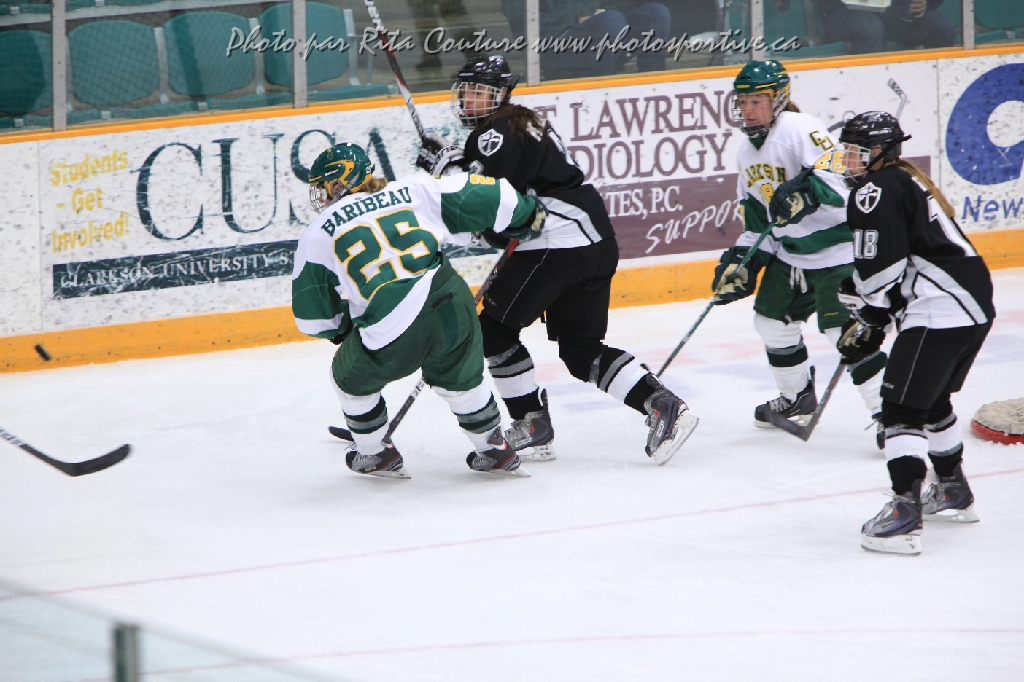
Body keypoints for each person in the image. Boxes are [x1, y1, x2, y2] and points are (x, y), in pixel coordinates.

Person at [426, 55, 698, 465]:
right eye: (465, 91)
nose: (468, 99)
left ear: (500, 94)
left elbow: (492, 202)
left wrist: (451, 174)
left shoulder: (492, 132)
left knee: (494, 332)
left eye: (479, 91)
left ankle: (532, 424)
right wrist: (458, 171)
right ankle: (662, 404)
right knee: (581, 350)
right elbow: (503, 206)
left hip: (556, 243)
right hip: (593, 239)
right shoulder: (522, 123)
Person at [292, 142, 548, 478]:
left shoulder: (318, 233)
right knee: (462, 380)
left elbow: (313, 318)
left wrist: (343, 332)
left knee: (349, 379)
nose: (321, 197)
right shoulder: (414, 188)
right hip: (451, 299)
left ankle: (374, 453)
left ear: (339, 182)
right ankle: (494, 449)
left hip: (390, 323)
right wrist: (527, 214)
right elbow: (492, 194)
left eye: (323, 187)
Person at [835, 111, 994, 555]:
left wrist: (868, 311)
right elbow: (905, 258)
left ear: (878, 152)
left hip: (939, 310)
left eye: (855, 151)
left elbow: (881, 268)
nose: (847, 159)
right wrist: (873, 308)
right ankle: (953, 489)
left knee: (900, 412)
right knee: (931, 402)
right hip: (971, 304)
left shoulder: (874, 189)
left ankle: (905, 512)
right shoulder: (903, 180)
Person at [711, 60, 885, 445]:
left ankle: (890, 413)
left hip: (838, 250)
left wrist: (807, 195)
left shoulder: (798, 128)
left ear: (778, 100)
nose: (749, 109)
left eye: (758, 101)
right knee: (771, 323)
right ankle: (796, 398)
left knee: (844, 332)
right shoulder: (745, 153)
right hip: (793, 257)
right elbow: (759, 225)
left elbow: (845, 184)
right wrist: (744, 262)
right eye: (743, 102)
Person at [500, 0, 671, 78]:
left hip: (600, 39)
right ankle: (603, 91)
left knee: (655, 13)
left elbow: (607, 6)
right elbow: (522, 19)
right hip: (554, 49)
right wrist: (579, 18)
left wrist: (598, 15)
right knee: (611, 21)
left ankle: (651, 84)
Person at [816, 0, 957, 54]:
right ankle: (872, 91)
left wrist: (927, 2)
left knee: (940, 27)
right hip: (847, 12)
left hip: (895, 12)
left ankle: (940, 91)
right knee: (870, 30)